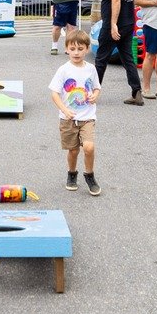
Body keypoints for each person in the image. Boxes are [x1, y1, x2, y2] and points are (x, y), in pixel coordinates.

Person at [49, 27, 102, 195]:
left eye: (80, 49)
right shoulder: (63, 70)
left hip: (87, 117)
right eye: (72, 49)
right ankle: (72, 174)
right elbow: (54, 94)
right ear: (66, 49)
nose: (76, 52)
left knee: (89, 147)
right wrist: (64, 110)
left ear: (87, 49)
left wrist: (95, 95)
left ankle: (89, 174)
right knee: (73, 150)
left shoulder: (91, 69)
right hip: (68, 118)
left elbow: (96, 88)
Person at [95, 0, 143, 106]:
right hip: (128, 23)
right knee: (127, 58)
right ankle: (137, 92)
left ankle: (92, 94)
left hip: (114, 25)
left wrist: (113, 24)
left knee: (101, 59)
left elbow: (115, 0)